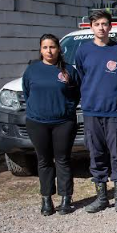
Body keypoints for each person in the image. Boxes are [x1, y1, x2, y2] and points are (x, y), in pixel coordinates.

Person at [75, 10, 117, 213]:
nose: (101, 27)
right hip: (92, 111)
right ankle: (101, 197)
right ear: (91, 27)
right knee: (96, 153)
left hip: (115, 111)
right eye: (97, 24)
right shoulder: (83, 51)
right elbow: (82, 76)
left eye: (104, 23)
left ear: (110, 26)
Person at [23, 34, 81, 216]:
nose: (49, 51)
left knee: (63, 160)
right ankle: (46, 198)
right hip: (37, 123)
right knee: (44, 160)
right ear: (40, 50)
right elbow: (27, 93)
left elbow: (76, 94)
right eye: (45, 47)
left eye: (52, 47)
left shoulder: (69, 70)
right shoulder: (32, 71)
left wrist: (66, 108)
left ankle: (66, 198)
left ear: (59, 49)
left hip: (63, 123)